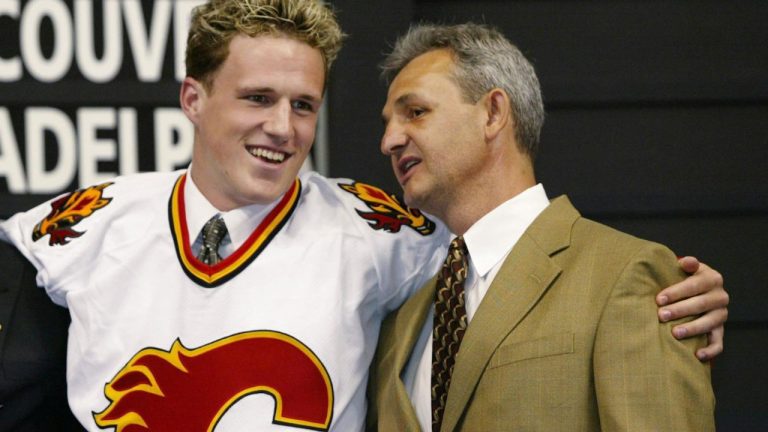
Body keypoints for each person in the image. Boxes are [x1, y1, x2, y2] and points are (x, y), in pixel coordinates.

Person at [0, 2, 725, 431]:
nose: (283, 127)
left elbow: (519, 259)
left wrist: (672, 295)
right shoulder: (86, 225)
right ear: (194, 100)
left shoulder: (384, 235)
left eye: (304, 105)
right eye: (257, 98)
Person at [368, 23, 717, 431]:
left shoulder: (627, 274)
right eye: (388, 121)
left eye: (416, 112)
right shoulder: (404, 319)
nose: (389, 140)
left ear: (493, 113)